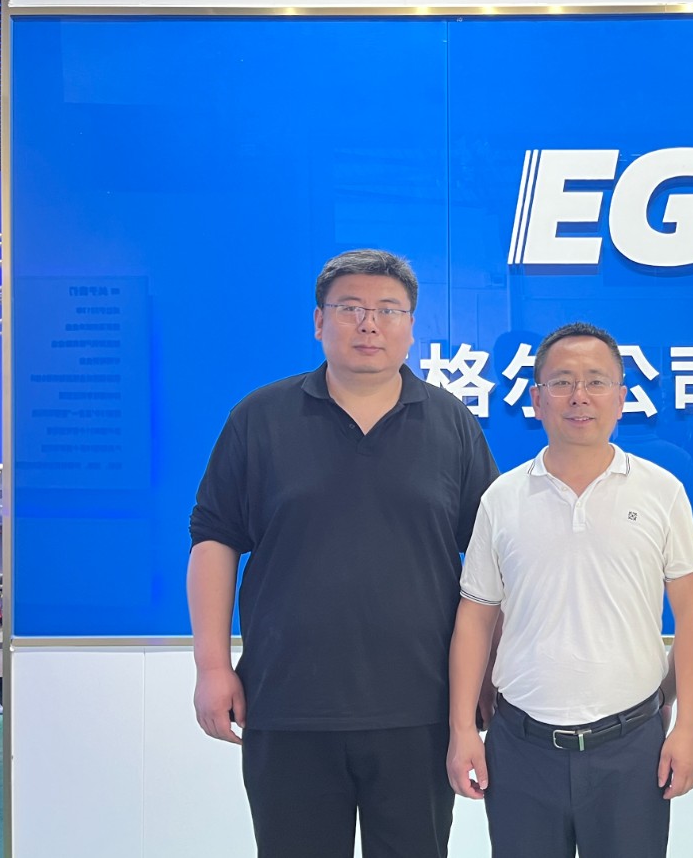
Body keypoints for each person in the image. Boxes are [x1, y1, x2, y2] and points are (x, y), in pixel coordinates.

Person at [187, 248, 498, 858]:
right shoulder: (260, 418)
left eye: (388, 310)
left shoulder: (451, 424)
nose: (368, 324)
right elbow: (214, 541)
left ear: (411, 326)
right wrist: (212, 667)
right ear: (318, 321)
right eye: (350, 308)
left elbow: (491, 566)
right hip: (288, 703)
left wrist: (487, 675)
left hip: (419, 707)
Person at [445, 321, 693, 858]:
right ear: (537, 399)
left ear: (622, 397)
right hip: (521, 747)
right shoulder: (502, 498)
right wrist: (461, 731)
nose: (579, 396)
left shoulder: (661, 491)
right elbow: (474, 619)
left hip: (631, 747)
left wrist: (689, 728)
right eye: (562, 382)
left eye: (596, 381)